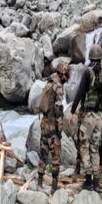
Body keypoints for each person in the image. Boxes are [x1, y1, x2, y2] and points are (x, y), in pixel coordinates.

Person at [68, 44, 102, 192]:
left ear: (91, 56)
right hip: (100, 117)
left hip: (88, 115)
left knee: (84, 146)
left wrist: (72, 111)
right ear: (100, 57)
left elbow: (80, 93)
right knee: (95, 148)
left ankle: (88, 180)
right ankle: (96, 182)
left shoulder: (88, 72)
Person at [38, 62, 70, 195]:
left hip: (44, 124)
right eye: (66, 74)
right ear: (62, 74)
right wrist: (60, 128)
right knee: (56, 156)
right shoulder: (58, 86)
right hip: (52, 126)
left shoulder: (49, 83)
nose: (67, 76)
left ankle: (39, 181)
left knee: (43, 153)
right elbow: (58, 110)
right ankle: (54, 186)